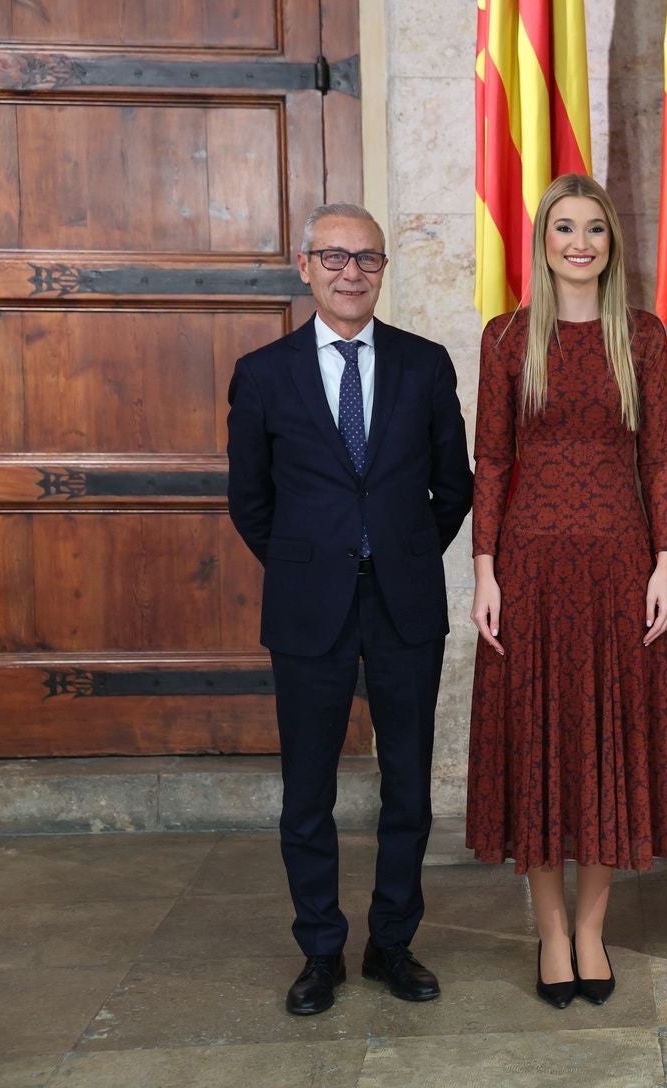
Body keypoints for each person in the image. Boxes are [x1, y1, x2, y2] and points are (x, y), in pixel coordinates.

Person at [227, 202, 474, 1015]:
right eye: (333, 257)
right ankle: (321, 951)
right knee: (309, 790)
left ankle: (393, 944)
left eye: (366, 259)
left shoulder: (424, 364)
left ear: (382, 271)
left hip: (405, 605)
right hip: (308, 609)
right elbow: (250, 502)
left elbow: (455, 486)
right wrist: (312, 564)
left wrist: (397, 552)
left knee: (407, 787)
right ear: (306, 267)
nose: (350, 272)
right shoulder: (264, 374)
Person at [465, 174, 667, 1010]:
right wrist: (483, 571)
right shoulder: (507, 337)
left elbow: (659, 459)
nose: (580, 242)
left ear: (611, 241)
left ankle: (592, 927)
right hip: (528, 569)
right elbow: (491, 461)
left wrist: (666, 562)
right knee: (540, 747)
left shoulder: (644, 336)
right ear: (543, 241)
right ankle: (550, 931)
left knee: (606, 745)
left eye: (594, 227)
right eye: (564, 227)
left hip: (621, 568)